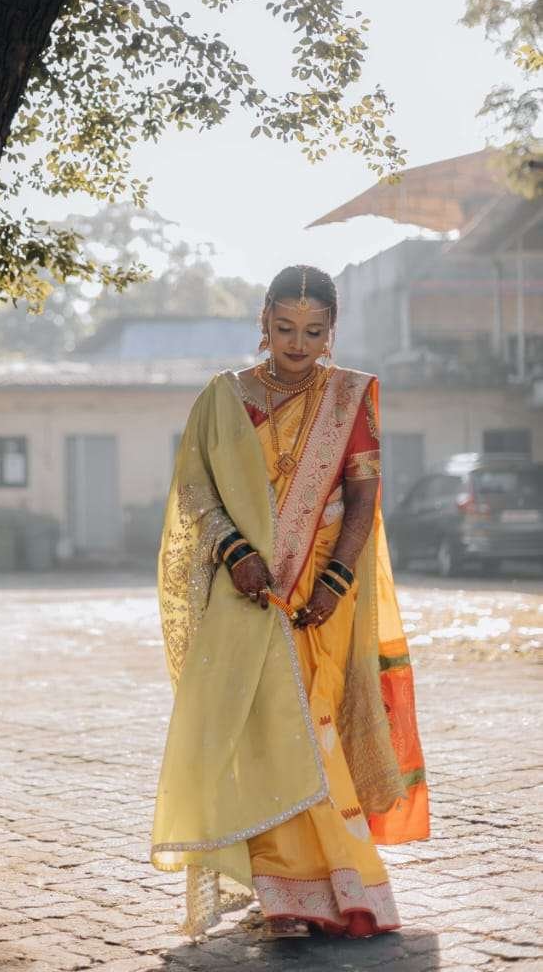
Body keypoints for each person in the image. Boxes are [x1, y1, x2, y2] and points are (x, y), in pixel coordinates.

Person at [151, 264, 429, 939]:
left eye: (312, 331)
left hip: (321, 590)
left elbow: (362, 498)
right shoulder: (224, 398)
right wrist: (234, 553)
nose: (297, 344)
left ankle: (337, 880)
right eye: (284, 328)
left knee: (312, 722)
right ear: (263, 324)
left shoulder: (350, 397)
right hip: (246, 589)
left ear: (331, 332)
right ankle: (278, 890)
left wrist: (334, 581)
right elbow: (195, 490)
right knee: (255, 729)